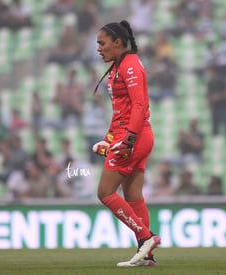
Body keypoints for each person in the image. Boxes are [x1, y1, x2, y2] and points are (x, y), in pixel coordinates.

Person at [92, 20, 160, 267]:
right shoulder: (121, 65)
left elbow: (140, 105)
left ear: (117, 42)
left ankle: (146, 237)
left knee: (105, 193)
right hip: (134, 136)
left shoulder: (130, 66)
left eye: (102, 43)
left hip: (133, 137)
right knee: (133, 195)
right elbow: (121, 110)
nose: (99, 49)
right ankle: (147, 255)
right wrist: (109, 139)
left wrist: (128, 139)